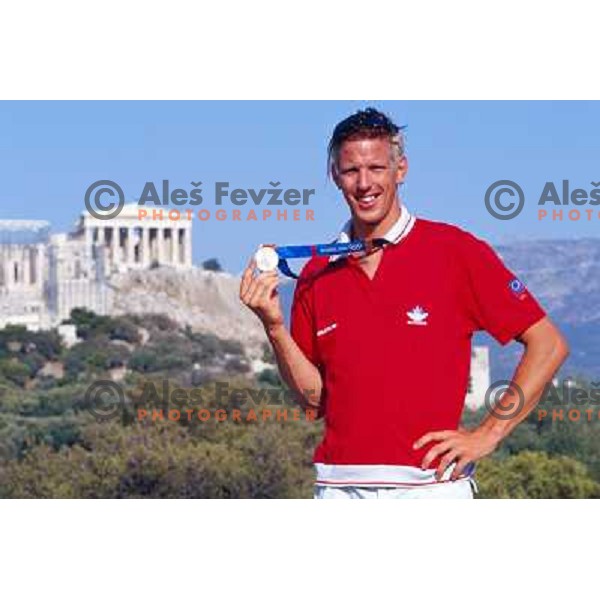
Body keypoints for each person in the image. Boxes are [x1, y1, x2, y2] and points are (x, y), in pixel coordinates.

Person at [240, 107, 570, 499]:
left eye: (377, 168)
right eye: (351, 171)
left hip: (431, 489)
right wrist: (274, 327)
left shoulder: (454, 252)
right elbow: (316, 400)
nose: (364, 183)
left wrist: (488, 434)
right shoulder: (315, 273)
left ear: (401, 170)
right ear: (335, 177)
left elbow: (548, 344)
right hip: (339, 488)